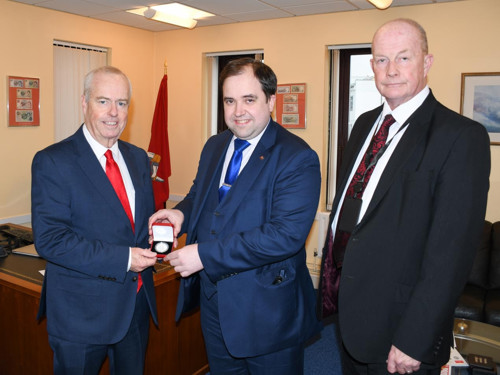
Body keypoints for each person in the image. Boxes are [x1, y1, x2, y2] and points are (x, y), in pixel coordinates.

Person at [318, 18, 490, 375]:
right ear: (372, 66)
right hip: (351, 315)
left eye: (403, 58)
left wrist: (416, 338)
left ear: (427, 63)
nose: (391, 70)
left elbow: (451, 255)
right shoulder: (364, 124)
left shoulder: (460, 137)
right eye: (381, 60)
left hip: (402, 331)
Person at [149, 58, 321, 374]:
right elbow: (198, 196)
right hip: (215, 303)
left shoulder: (297, 157)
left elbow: (284, 236)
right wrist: (178, 215)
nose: (237, 110)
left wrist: (204, 254)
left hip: (267, 310)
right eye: (230, 100)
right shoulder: (215, 145)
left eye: (248, 99)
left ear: (271, 100)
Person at [31, 66, 158, 375]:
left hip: (135, 306)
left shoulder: (139, 157)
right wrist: (125, 258)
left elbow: (135, 225)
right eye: (103, 101)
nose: (114, 112)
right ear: (84, 102)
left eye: (122, 102)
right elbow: (51, 240)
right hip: (81, 314)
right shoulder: (53, 161)